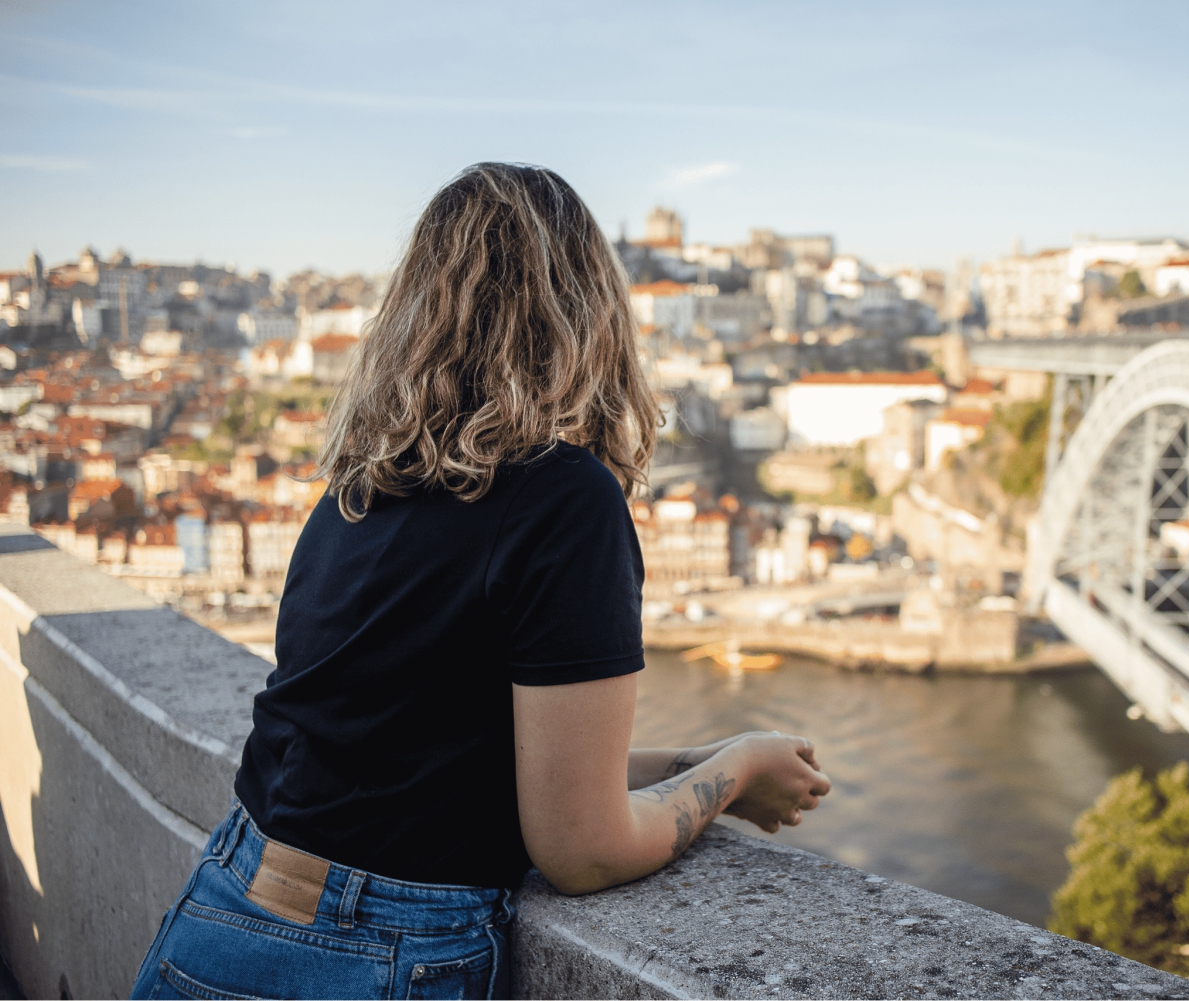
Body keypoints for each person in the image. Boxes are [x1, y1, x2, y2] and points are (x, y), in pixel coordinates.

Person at [129, 163, 831, 1000]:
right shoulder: (564, 497)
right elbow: (583, 845)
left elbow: (471, 760)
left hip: (221, 907)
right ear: (589, 312)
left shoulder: (355, 490)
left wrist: (699, 757)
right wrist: (735, 774)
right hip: (372, 952)